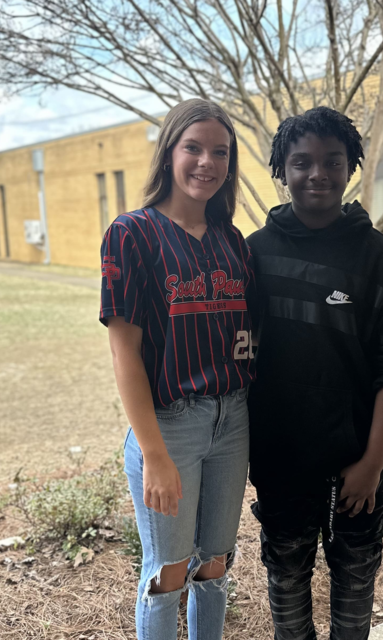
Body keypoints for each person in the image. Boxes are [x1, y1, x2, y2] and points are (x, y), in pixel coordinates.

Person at [246, 106, 383, 640]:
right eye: (301, 162)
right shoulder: (253, 255)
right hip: (280, 460)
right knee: (285, 582)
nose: (317, 174)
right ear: (282, 170)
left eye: (332, 160)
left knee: (355, 586)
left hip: (357, 464)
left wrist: (372, 462)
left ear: (351, 167)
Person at [100, 99, 255, 640]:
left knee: (215, 563)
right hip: (170, 426)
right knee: (167, 575)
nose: (206, 162)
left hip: (232, 420)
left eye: (220, 152)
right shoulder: (132, 235)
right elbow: (125, 355)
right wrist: (156, 454)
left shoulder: (232, 242)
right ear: (169, 153)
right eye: (193, 147)